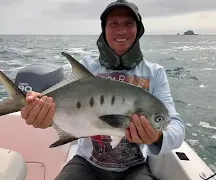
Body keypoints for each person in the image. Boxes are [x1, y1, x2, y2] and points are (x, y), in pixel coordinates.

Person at [20, 0, 185, 179]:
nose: (121, 31)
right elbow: (67, 110)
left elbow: (176, 128)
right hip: (86, 163)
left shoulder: (154, 73)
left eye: (128, 23)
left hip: (134, 167)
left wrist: (156, 136)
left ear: (138, 29)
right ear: (104, 29)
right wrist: (43, 115)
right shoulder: (87, 67)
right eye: (113, 23)